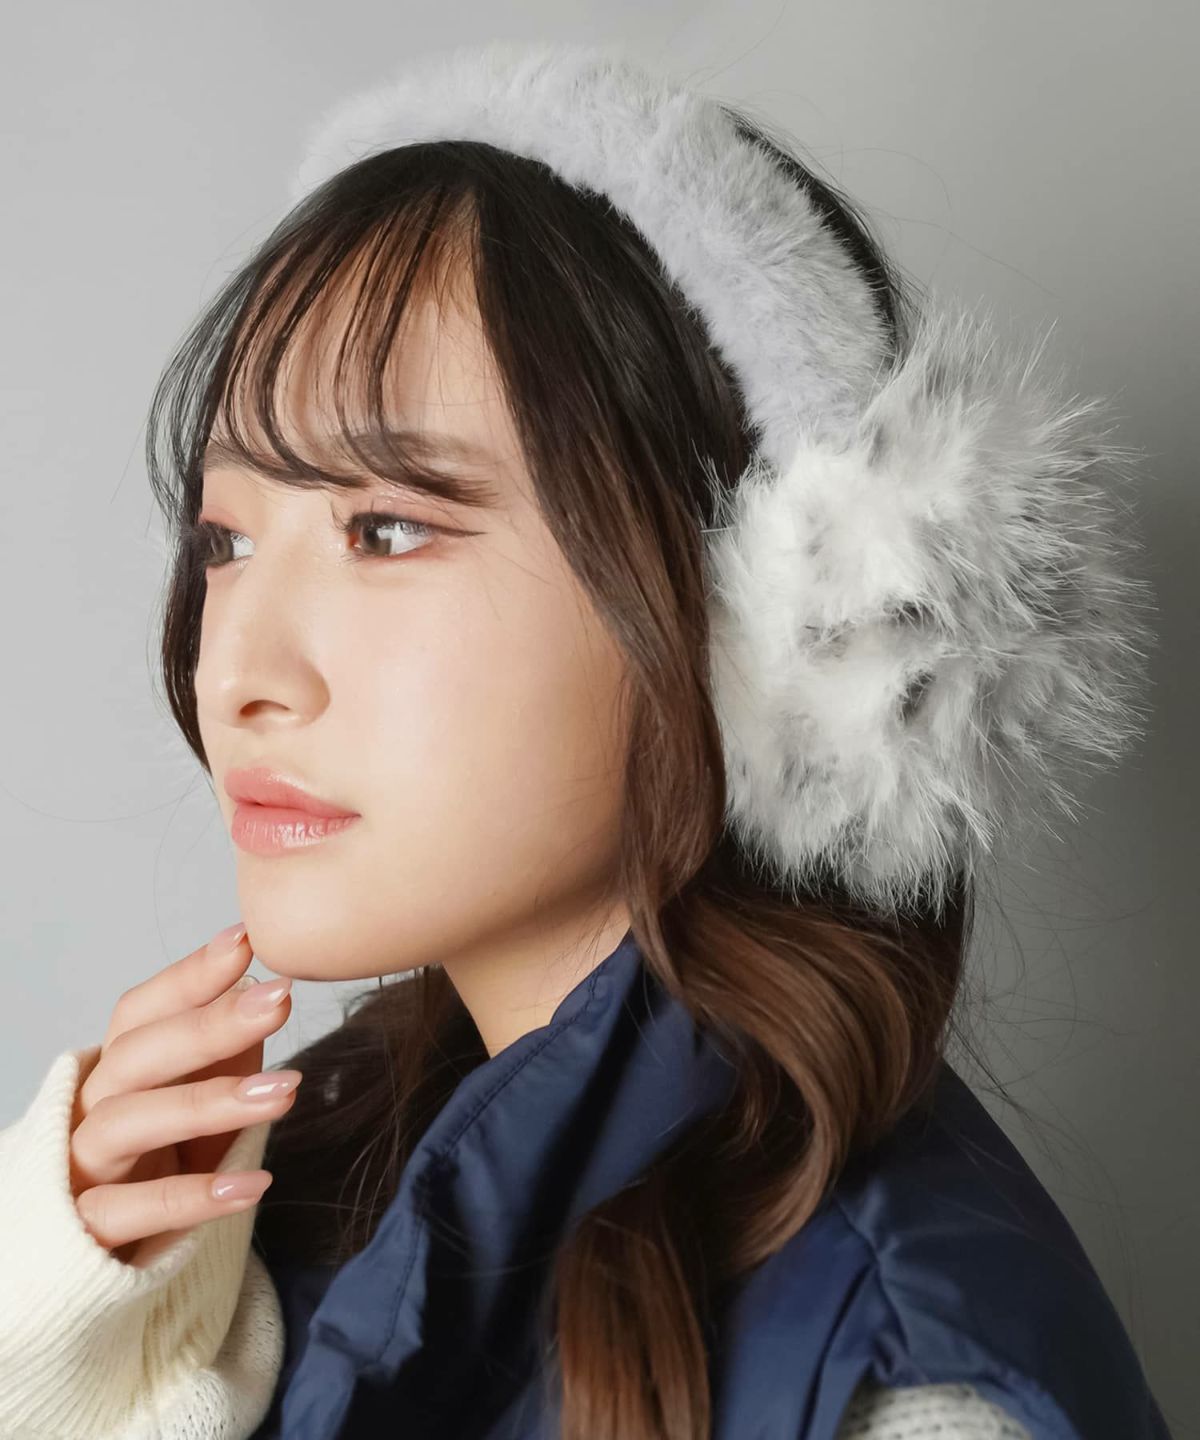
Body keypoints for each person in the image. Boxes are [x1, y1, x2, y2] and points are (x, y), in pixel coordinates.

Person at [0, 38, 1172, 1440]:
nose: (239, 671)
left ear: (754, 621)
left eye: (386, 530)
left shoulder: (906, 1398)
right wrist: (82, 1364)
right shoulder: (294, 1202)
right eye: (226, 540)